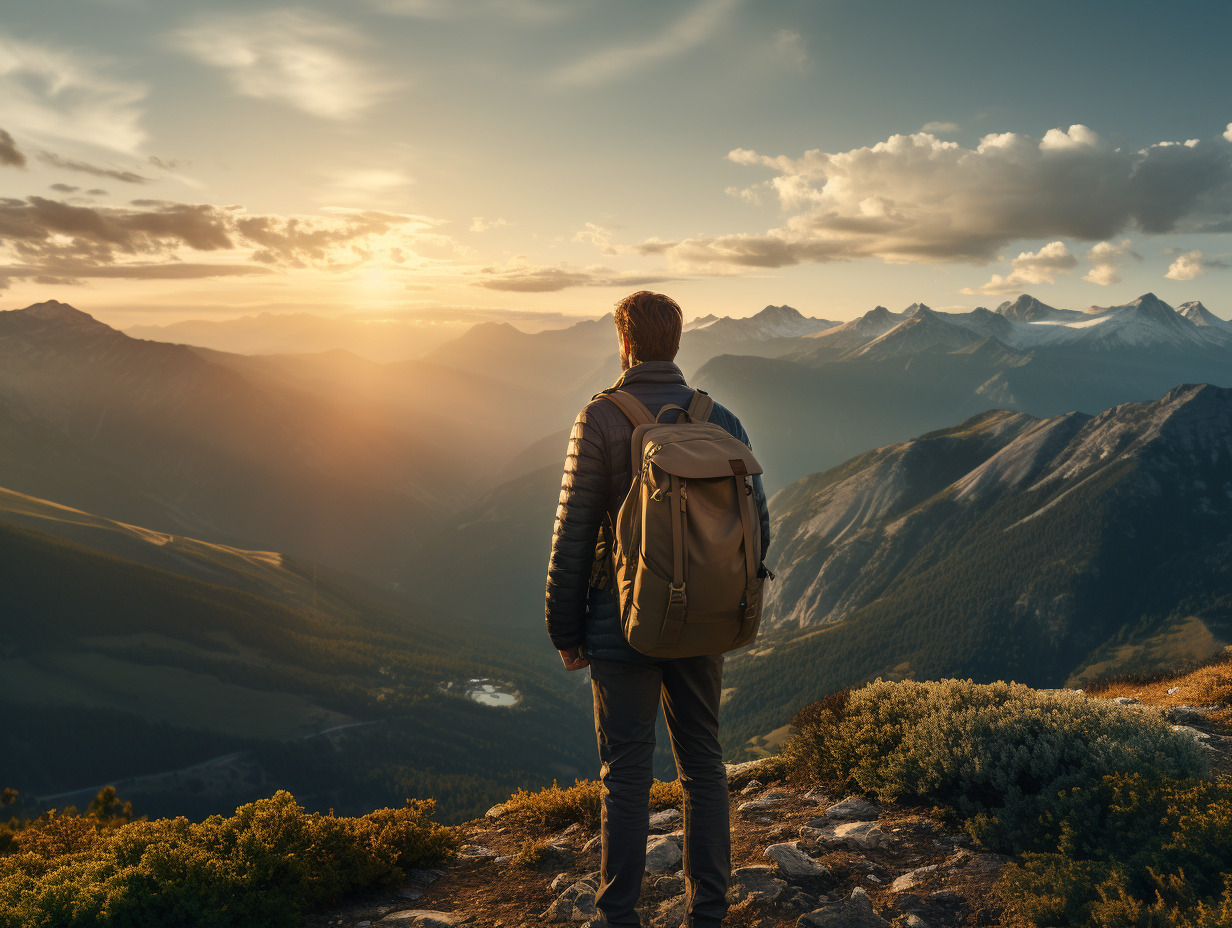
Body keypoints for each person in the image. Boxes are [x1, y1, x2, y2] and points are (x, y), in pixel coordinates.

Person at [545, 291, 771, 928]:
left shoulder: (601, 419)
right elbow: (758, 528)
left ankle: (619, 916)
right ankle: (709, 914)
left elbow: (574, 534)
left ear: (624, 343)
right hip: (702, 624)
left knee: (626, 774)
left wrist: (566, 630)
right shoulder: (720, 418)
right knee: (704, 765)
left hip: (622, 630)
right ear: (676, 343)